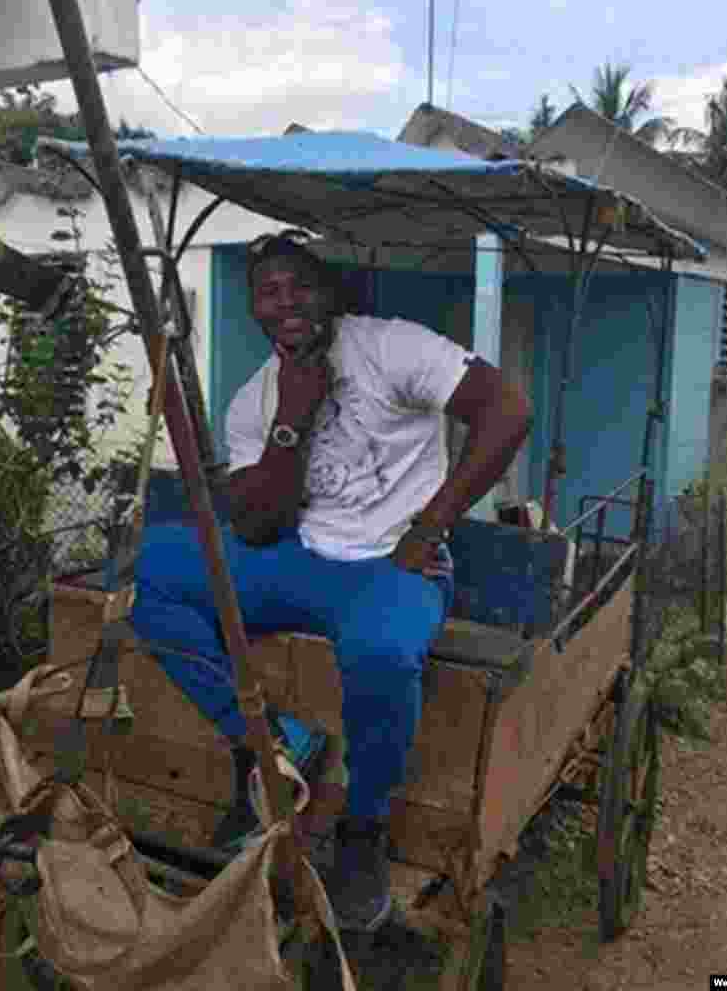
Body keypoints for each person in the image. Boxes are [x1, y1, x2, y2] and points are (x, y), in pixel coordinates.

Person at [130, 232, 532, 932]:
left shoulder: (391, 346)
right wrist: (294, 417)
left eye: (299, 286)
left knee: (380, 656)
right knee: (145, 573)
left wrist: (432, 526)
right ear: (255, 308)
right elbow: (258, 526)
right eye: (268, 292)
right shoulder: (257, 397)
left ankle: (363, 830)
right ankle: (277, 745)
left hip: (394, 564)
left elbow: (507, 410)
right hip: (299, 559)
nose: (286, 303)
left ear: (329, 294)